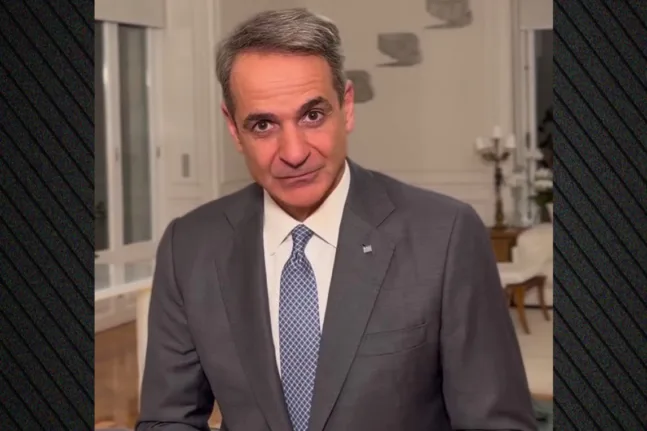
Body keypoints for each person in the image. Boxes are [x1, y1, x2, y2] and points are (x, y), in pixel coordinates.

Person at [137, 8, 537, 431]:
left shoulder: (445, 235)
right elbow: (168, 419)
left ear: (346, 107)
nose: (294, 152)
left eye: (312, 115)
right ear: (234, 129)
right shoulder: (190, 246)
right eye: (263, 124)